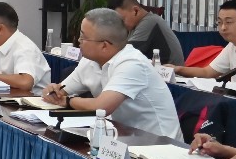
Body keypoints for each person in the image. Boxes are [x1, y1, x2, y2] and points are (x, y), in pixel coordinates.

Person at [42, 8, 180, 139]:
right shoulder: (89, 61)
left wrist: (68, 101)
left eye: (83, 37)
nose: (78, 41)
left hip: (158, 143)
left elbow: (101, 107)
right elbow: (60, 92)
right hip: (123, 136)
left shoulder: (132, 63)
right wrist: (52, 91)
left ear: (104, 45)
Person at [108, 0, 185, 65]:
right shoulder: (134, 25)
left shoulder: (149, 22)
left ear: (135, 11)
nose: (120, 24)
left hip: (171, 71)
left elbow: (125, 53)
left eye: (122, 20)